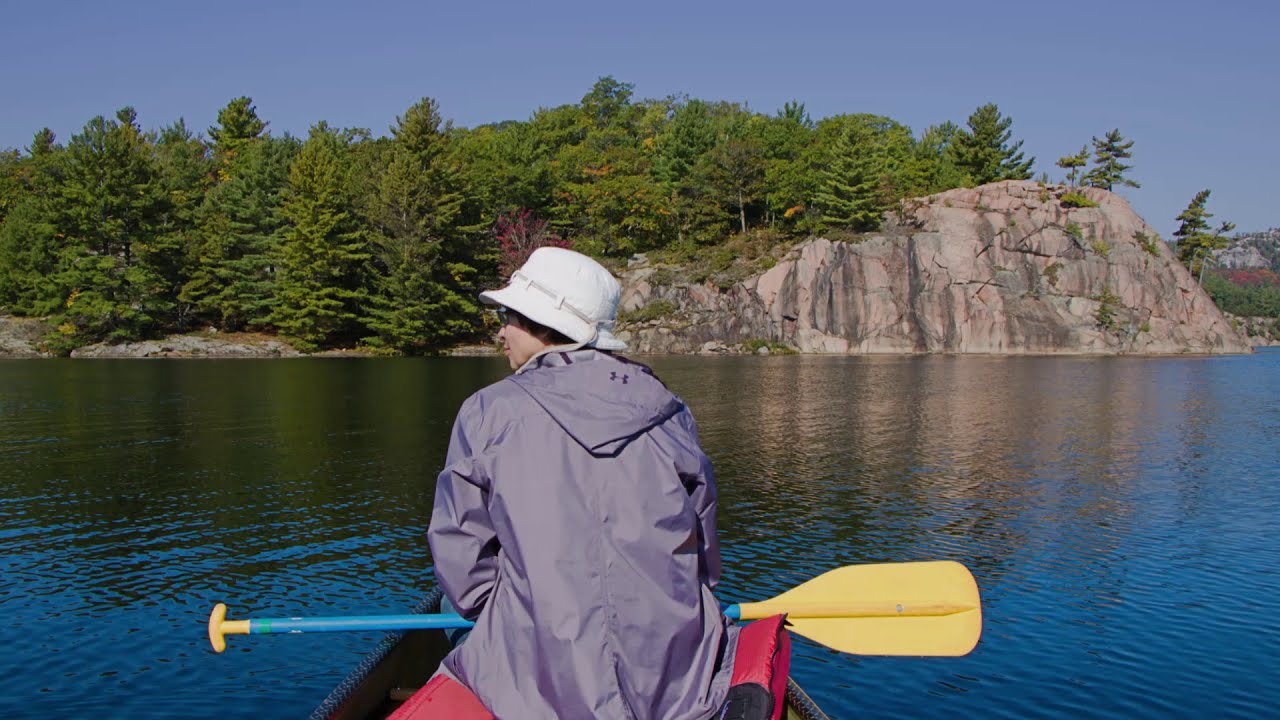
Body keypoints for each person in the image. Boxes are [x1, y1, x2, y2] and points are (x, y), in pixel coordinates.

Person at [426, 247, 738, 719]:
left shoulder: (488, 412)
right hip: (676, 682)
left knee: (464, 624)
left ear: (542, 323)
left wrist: (510, 616)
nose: (501, 330)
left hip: (536, 684)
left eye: (509, 315)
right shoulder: (670, 410)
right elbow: (705, 562)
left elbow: (463, 565)